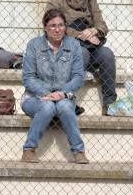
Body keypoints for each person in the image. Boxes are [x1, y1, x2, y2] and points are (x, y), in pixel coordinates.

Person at [47, 0, 117, 115]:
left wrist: (93, 31)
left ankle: (110, 103)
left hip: (88, 47)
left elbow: (103, 26)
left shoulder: (91, 1)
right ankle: (66, 99)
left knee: (107, 54)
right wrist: (79, 35)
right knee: (82, 52)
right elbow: (52, 26)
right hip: (63, 50)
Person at [20, 9, 88, 164]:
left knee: (64, 107)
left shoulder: (74, 45)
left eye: (61, 25)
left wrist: (62, 93)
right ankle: (29, 149)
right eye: (52, 26)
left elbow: (78, 76)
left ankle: (79, 151)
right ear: (45, 27)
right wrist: (46, 93)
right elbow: (28, 78)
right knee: (48, 107)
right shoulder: (34, 45)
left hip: (64, 96)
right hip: (36, 97)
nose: (57, 29)